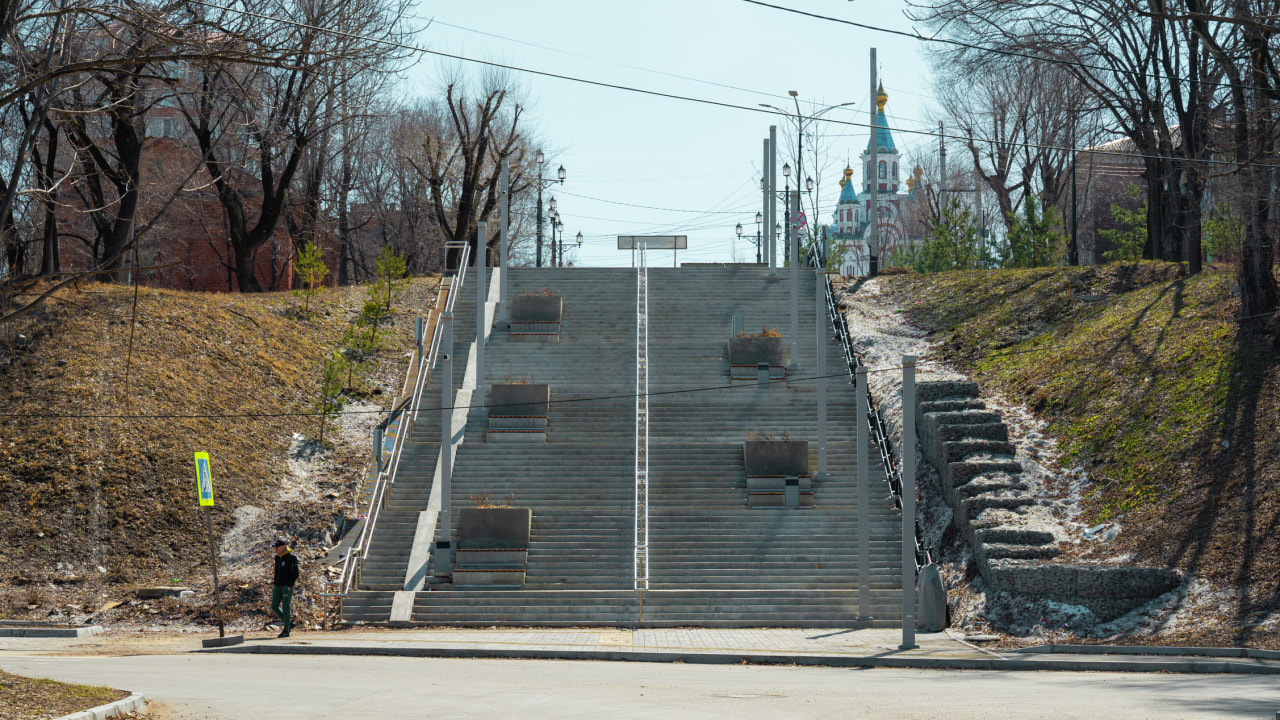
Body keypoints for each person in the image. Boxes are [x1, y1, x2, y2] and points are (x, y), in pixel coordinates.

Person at [270, 539, 299, 638]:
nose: (276, 549)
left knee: (286, 607)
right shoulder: (277, 558)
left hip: (287, 586)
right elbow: (276, 572)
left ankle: (286, 630)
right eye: (275, 548)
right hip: (278, 585)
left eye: (277, 547)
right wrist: (274, 583)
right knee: (274, 605)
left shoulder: (291, 557)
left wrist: (290, 585)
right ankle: (288, 622)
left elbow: (296, 573)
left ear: (283, 546)